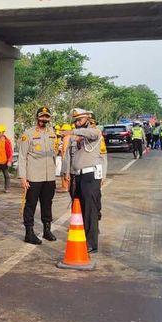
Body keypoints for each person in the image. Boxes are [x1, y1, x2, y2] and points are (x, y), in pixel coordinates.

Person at [62, 108, 103, 253]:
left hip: (90, 176)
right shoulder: (76, 137)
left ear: (87, 119)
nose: (77, 123)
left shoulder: (94, 132)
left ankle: (92, 243)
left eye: (80, 120)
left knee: (90, 210)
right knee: (79, 208)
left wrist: (72, 132)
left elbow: (90, 133)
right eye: (76, 121)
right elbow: (69, 156)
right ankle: (83, 237)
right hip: (78, 176)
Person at [18, 107, 58, 245]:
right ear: (37, 118)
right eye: (42, 117)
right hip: (33, 177)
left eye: (46, 117)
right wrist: (23, 177)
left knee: (47, 204)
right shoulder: (28, 134)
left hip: (49, 177)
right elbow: (22, 157)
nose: (44, 119)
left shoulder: (53, 133)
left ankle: (47, 230)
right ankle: (29, 233)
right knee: (30, 205)